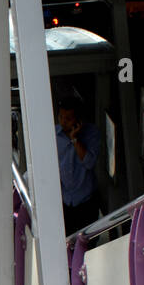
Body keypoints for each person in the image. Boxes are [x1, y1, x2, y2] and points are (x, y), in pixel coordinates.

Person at [56, 97, 101, 233]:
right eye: (61, 117)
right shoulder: (54, 135)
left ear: (78, 120)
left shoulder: (91, 134)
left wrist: (75, 139)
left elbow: (89, 163)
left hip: (85, 200)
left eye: (68, 118)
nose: (64, 122)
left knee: (88, 239)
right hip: (64, 200)